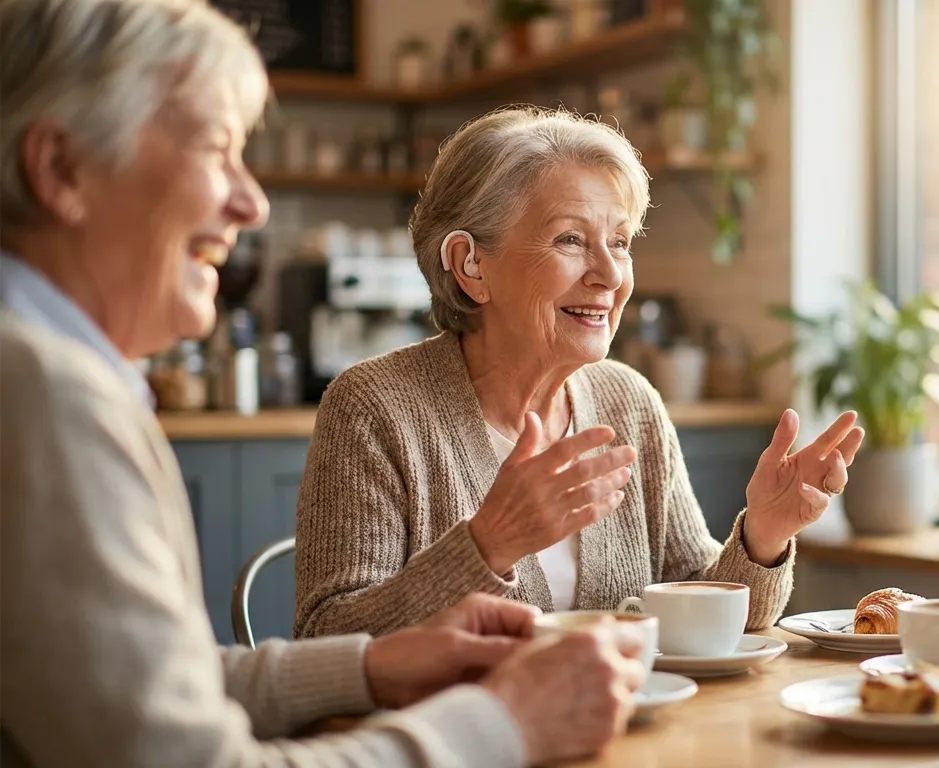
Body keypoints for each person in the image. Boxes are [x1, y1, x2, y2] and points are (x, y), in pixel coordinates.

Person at [0, 1, 644, 766]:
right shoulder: (44, 395)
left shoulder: (52, 377)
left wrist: (372, 668)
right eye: (216, 150)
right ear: (61, 169)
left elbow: (137, 692)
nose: (253, 202)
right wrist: (501, 726)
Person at [292, 106, 865, 638]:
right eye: (571, 239)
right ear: (471, 264)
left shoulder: (628, 401)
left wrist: (763, 534)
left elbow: (699, 615)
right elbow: (326, 641)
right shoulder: (373, 407)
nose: (611, 275)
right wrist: (488, 545)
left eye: (619, 241)